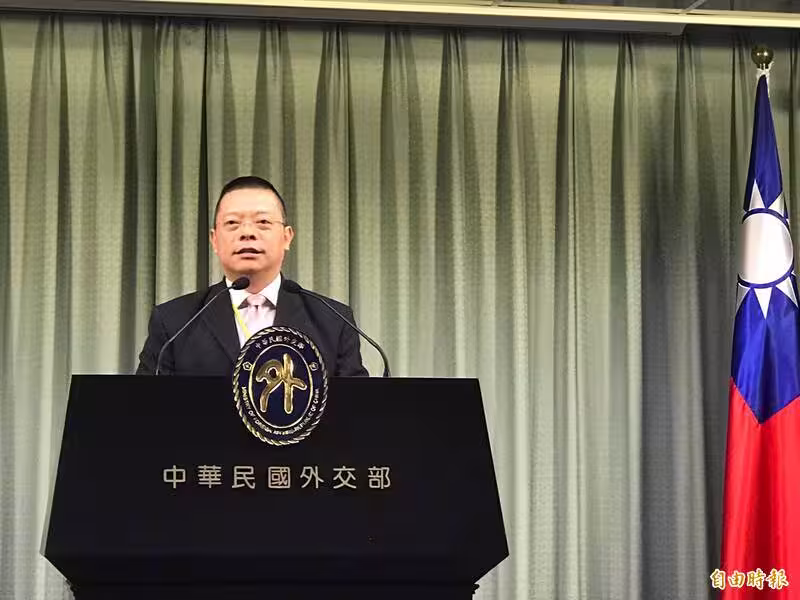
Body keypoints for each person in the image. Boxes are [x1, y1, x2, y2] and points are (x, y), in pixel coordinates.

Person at [136, 176, 368, 377]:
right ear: (214, 240)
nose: (247, 233)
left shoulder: (334, 320)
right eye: (232, 223)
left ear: (287, 237)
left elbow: (356, 407)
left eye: (263, 222)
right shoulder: (174, 322)